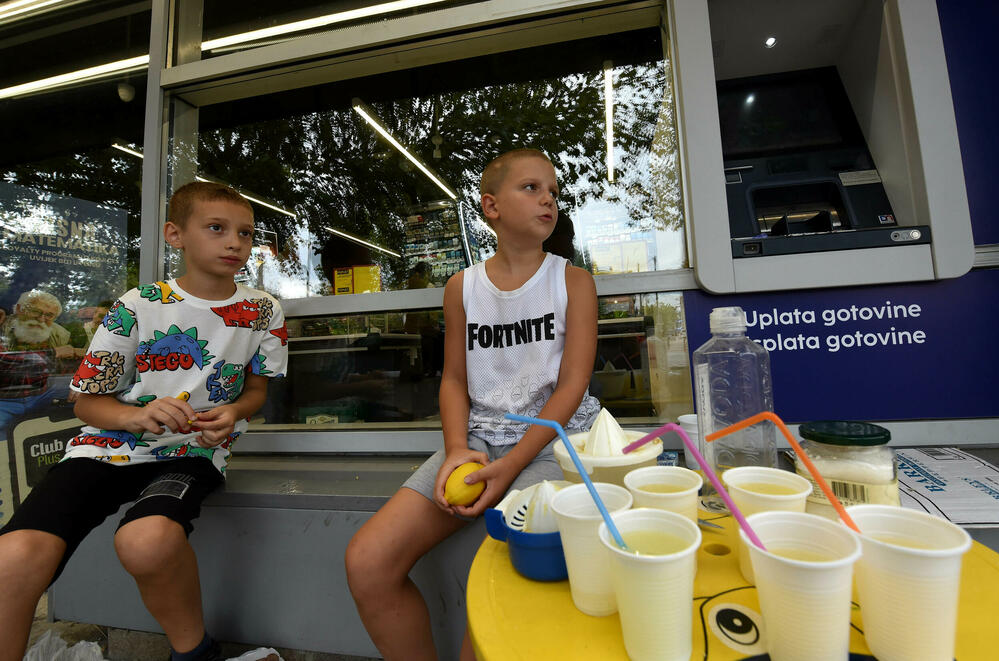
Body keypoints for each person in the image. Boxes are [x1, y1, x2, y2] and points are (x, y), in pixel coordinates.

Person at [0, 181, 288, 661]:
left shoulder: (263, 310)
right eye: (216, 228)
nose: (234, 242)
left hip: (192, 450)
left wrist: (234, 412)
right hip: (105, 446)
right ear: (175, 235)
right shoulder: (137, 305)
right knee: (13, 556)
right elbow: (88, 404)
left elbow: (257, 390)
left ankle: (195, 653)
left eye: (245, 232)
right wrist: (137, 414)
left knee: (146, 541)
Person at [345, 148, 601, 661]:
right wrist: (458, 450)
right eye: (531, 188)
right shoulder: (463, 287)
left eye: (552, 190)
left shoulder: (573, 282)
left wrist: (509, 468)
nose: (547, 198)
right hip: (478, 441)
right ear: (491, 206)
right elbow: (455, 380)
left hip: (554, 444)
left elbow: (571, 387)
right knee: (367, 560)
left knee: (498, 596)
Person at [0, 290, 84, 440]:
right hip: (4, 399)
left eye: (49, 315)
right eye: (35, 311)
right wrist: (54, 352)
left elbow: (59, 367)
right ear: (19, 310)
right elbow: (6, 364)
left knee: (90, 390)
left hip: (42, 391)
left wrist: (80, 380)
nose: (41, 319)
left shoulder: (58, 334)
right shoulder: (3, 328)